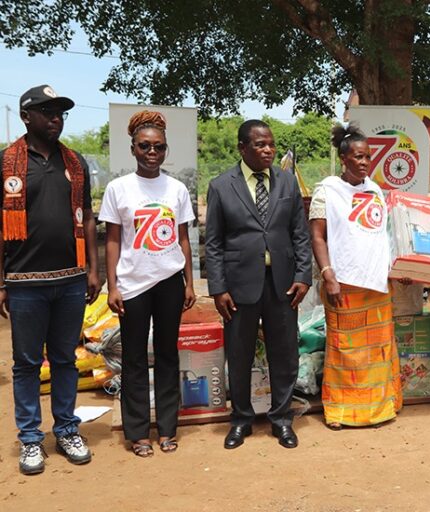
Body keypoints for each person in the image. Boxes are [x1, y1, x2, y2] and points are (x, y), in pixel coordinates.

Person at [0, 85, 99, 475]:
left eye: (59, 111)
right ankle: (29, 439)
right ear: (27, 117)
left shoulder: (74, 163)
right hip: (24, 282)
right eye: (46, 111)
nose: (55, 117)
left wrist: (93, 268)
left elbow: (88, 217)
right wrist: (2, 282)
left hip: (72, 280)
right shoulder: (8, 162)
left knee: (64, 360)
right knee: (26, 364)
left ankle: (66, 429)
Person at [205, 119, 312, 449]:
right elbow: (214, 243)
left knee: (285, 354)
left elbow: (300, 234)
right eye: (260, 145)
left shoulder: (287, 183)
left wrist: (303, 276)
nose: (268, 150)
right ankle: (241, 420)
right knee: (239, 355)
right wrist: (218, 288)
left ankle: (281, 419)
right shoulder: (222, 186)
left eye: (271, 144)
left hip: (282, 283)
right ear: (242, 147)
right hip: (238, 286)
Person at [99, 110, 196, 457]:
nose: (152, 152)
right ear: (133, 149)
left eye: (159, 147)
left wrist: (188, 282)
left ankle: (168, 428)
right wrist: (113, 286)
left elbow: (183, 238)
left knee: (169, 354)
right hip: (133, 285)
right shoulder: (118, 188)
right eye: (145, 146)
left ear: (166, 150)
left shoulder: (177, 188)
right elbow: (112, 240)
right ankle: (138, 432)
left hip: (169, 280)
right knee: (135, 359)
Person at [309, 123, 402, 430]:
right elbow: (318, 237)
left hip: (376, 283)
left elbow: (382, 236)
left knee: (377, 350)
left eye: (368, 157)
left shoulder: (375, 190)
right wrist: (328, 275)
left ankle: (378, 409)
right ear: (344, 157)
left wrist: (395, 269)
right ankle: (340, 411)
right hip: (344, 283)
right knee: (344, 349)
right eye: (358, 157)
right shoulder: (327, 190)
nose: (364, 163)